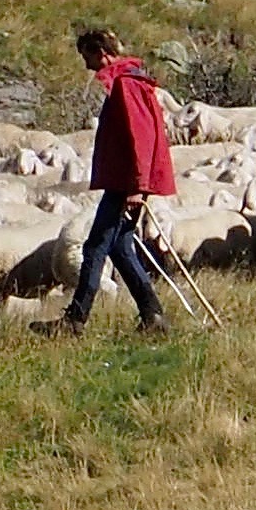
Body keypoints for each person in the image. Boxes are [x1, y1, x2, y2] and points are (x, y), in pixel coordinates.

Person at [67, 26, 174, 334]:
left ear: (101, 53)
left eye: (86, 56)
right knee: (120, 248)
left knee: (95, 247)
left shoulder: (126, 85)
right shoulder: (129, 81)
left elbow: (141, 137)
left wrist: (138, 187)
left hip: (125, 184)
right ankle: (153, 316)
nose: (86, 65)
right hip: (125, 181)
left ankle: (75, 319)